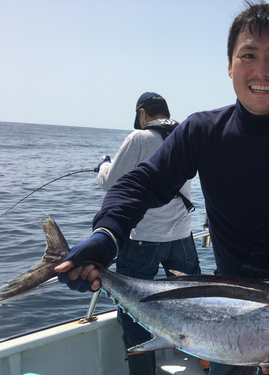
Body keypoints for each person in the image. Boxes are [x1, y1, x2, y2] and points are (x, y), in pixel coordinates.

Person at [55, 2, 269, 375]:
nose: (261, 70)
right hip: (222, 312)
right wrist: (107, 234)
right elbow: (142, 182)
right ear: (230, 65)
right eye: (248, 55)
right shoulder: (202, 132)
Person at [94, 92, 201, 375]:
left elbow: (111, 183)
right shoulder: (183, 136)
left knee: (135, 311)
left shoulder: (139, 138)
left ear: (142, 114)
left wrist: (102, 165)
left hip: (143, 239)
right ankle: (207, 362)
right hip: (182, 237)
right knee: (195, 304)